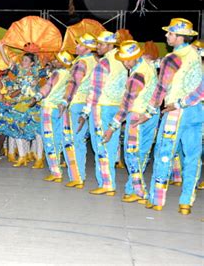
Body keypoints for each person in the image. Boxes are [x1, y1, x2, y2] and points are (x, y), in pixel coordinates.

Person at [135, 18, 202, 215]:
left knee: (164, 153)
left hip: (175, 112)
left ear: (180, 37)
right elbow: (201, 89)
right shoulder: (196, 55)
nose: (166, 36)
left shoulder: (171, 59)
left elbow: (160, 89)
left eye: (170, 33)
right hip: (196, 111)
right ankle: (186, 202)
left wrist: (148, 113)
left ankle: (157, 199)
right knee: (193, 157)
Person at [102, 40, 158, 203]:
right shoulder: (148, 65)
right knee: (142, 154)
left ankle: (141, 192)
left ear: (135, 57)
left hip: (136, 117)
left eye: (127, 60)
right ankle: (132, 189)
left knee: (131, 155)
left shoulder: (136, 76)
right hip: (151, 115)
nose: (125, 63)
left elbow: (126, 105)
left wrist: (112, 128)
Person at [78, 31, 128, 196]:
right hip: (117, 107)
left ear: (109, 45)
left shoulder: (104, 63)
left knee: (101, 146)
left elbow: (94, 91)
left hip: (101, 108)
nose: (97, 47)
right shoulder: (122, 61)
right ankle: (110, 182)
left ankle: (106, 183)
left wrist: (85, 113)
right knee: (111, 146)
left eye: (100, 44)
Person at [58, 33, 98, 189]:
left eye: (79, 44)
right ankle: (80, 175)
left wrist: (64, 100)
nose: (76, 47)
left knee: (71, 140)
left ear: (87, 47)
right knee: (80, 140)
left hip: (75, 103)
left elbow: (73, 83)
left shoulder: (81, 62)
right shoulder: (96, 61)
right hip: (88, 104)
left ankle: (77, 176)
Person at [34, 50, 74, 182]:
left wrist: (36, 97)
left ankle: (55, 171)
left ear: (61, 63)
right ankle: (58, 170)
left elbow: (48, 86)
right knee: (57, 138)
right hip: (60, 109)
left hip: (49, 109)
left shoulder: (57, 73)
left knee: (49, 140)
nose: (54, 61)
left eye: (57, 60)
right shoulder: (69, 74)